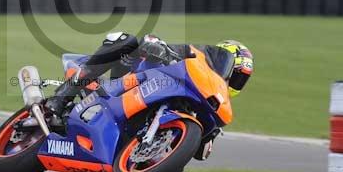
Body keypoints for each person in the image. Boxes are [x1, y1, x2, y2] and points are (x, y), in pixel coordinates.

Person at [45, 32, 254, 118]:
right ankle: (61, 97)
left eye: (240, 79)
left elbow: (201, 154)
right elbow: (153, 39)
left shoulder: (212, 102)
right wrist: (157, 47)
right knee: (125, 39)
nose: (232, 81)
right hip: (131, 79)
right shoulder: (195, 56)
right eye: (234, 74)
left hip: (146, 108)